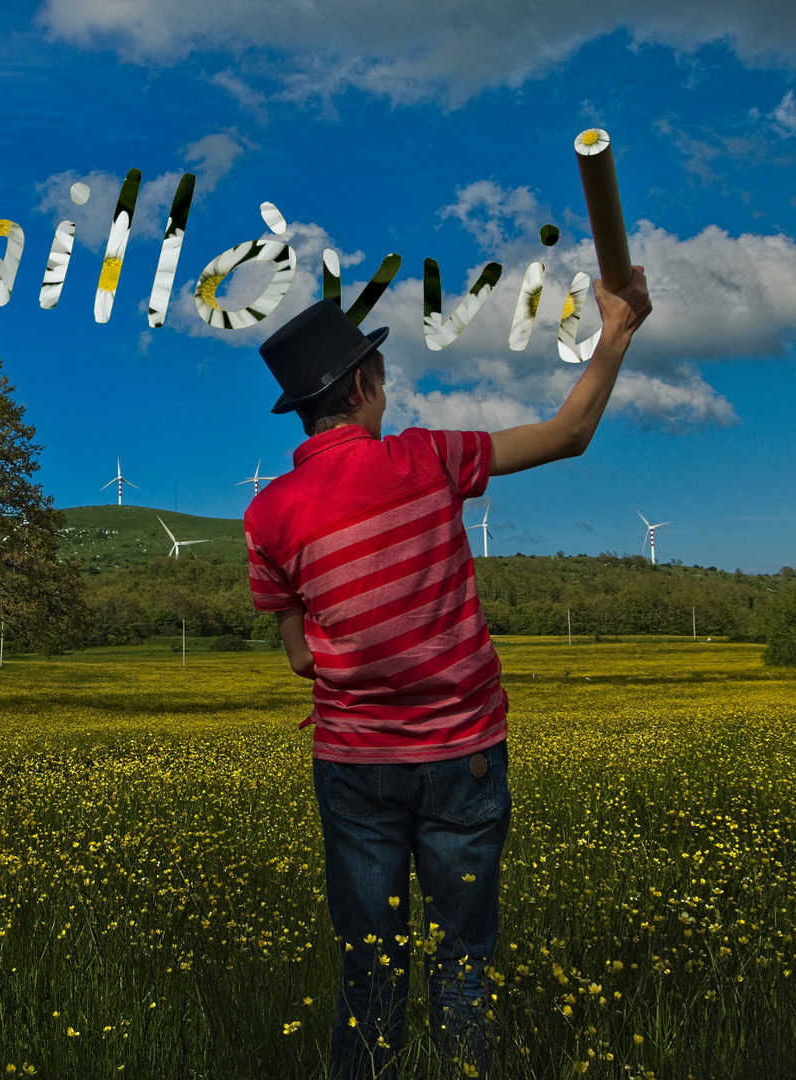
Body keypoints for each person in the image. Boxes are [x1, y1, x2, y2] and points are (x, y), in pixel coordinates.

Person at [244, 269, 652, 1078]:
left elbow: (298, 657)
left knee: (369, 964)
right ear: (364, 384)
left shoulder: (267, 514)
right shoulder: (429, 457)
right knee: (462, 954)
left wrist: (365, 656)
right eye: (383, 384)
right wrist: (618, 330)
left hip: (355, 765)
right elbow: (569, 434)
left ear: (304, 408)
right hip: (462, 754)